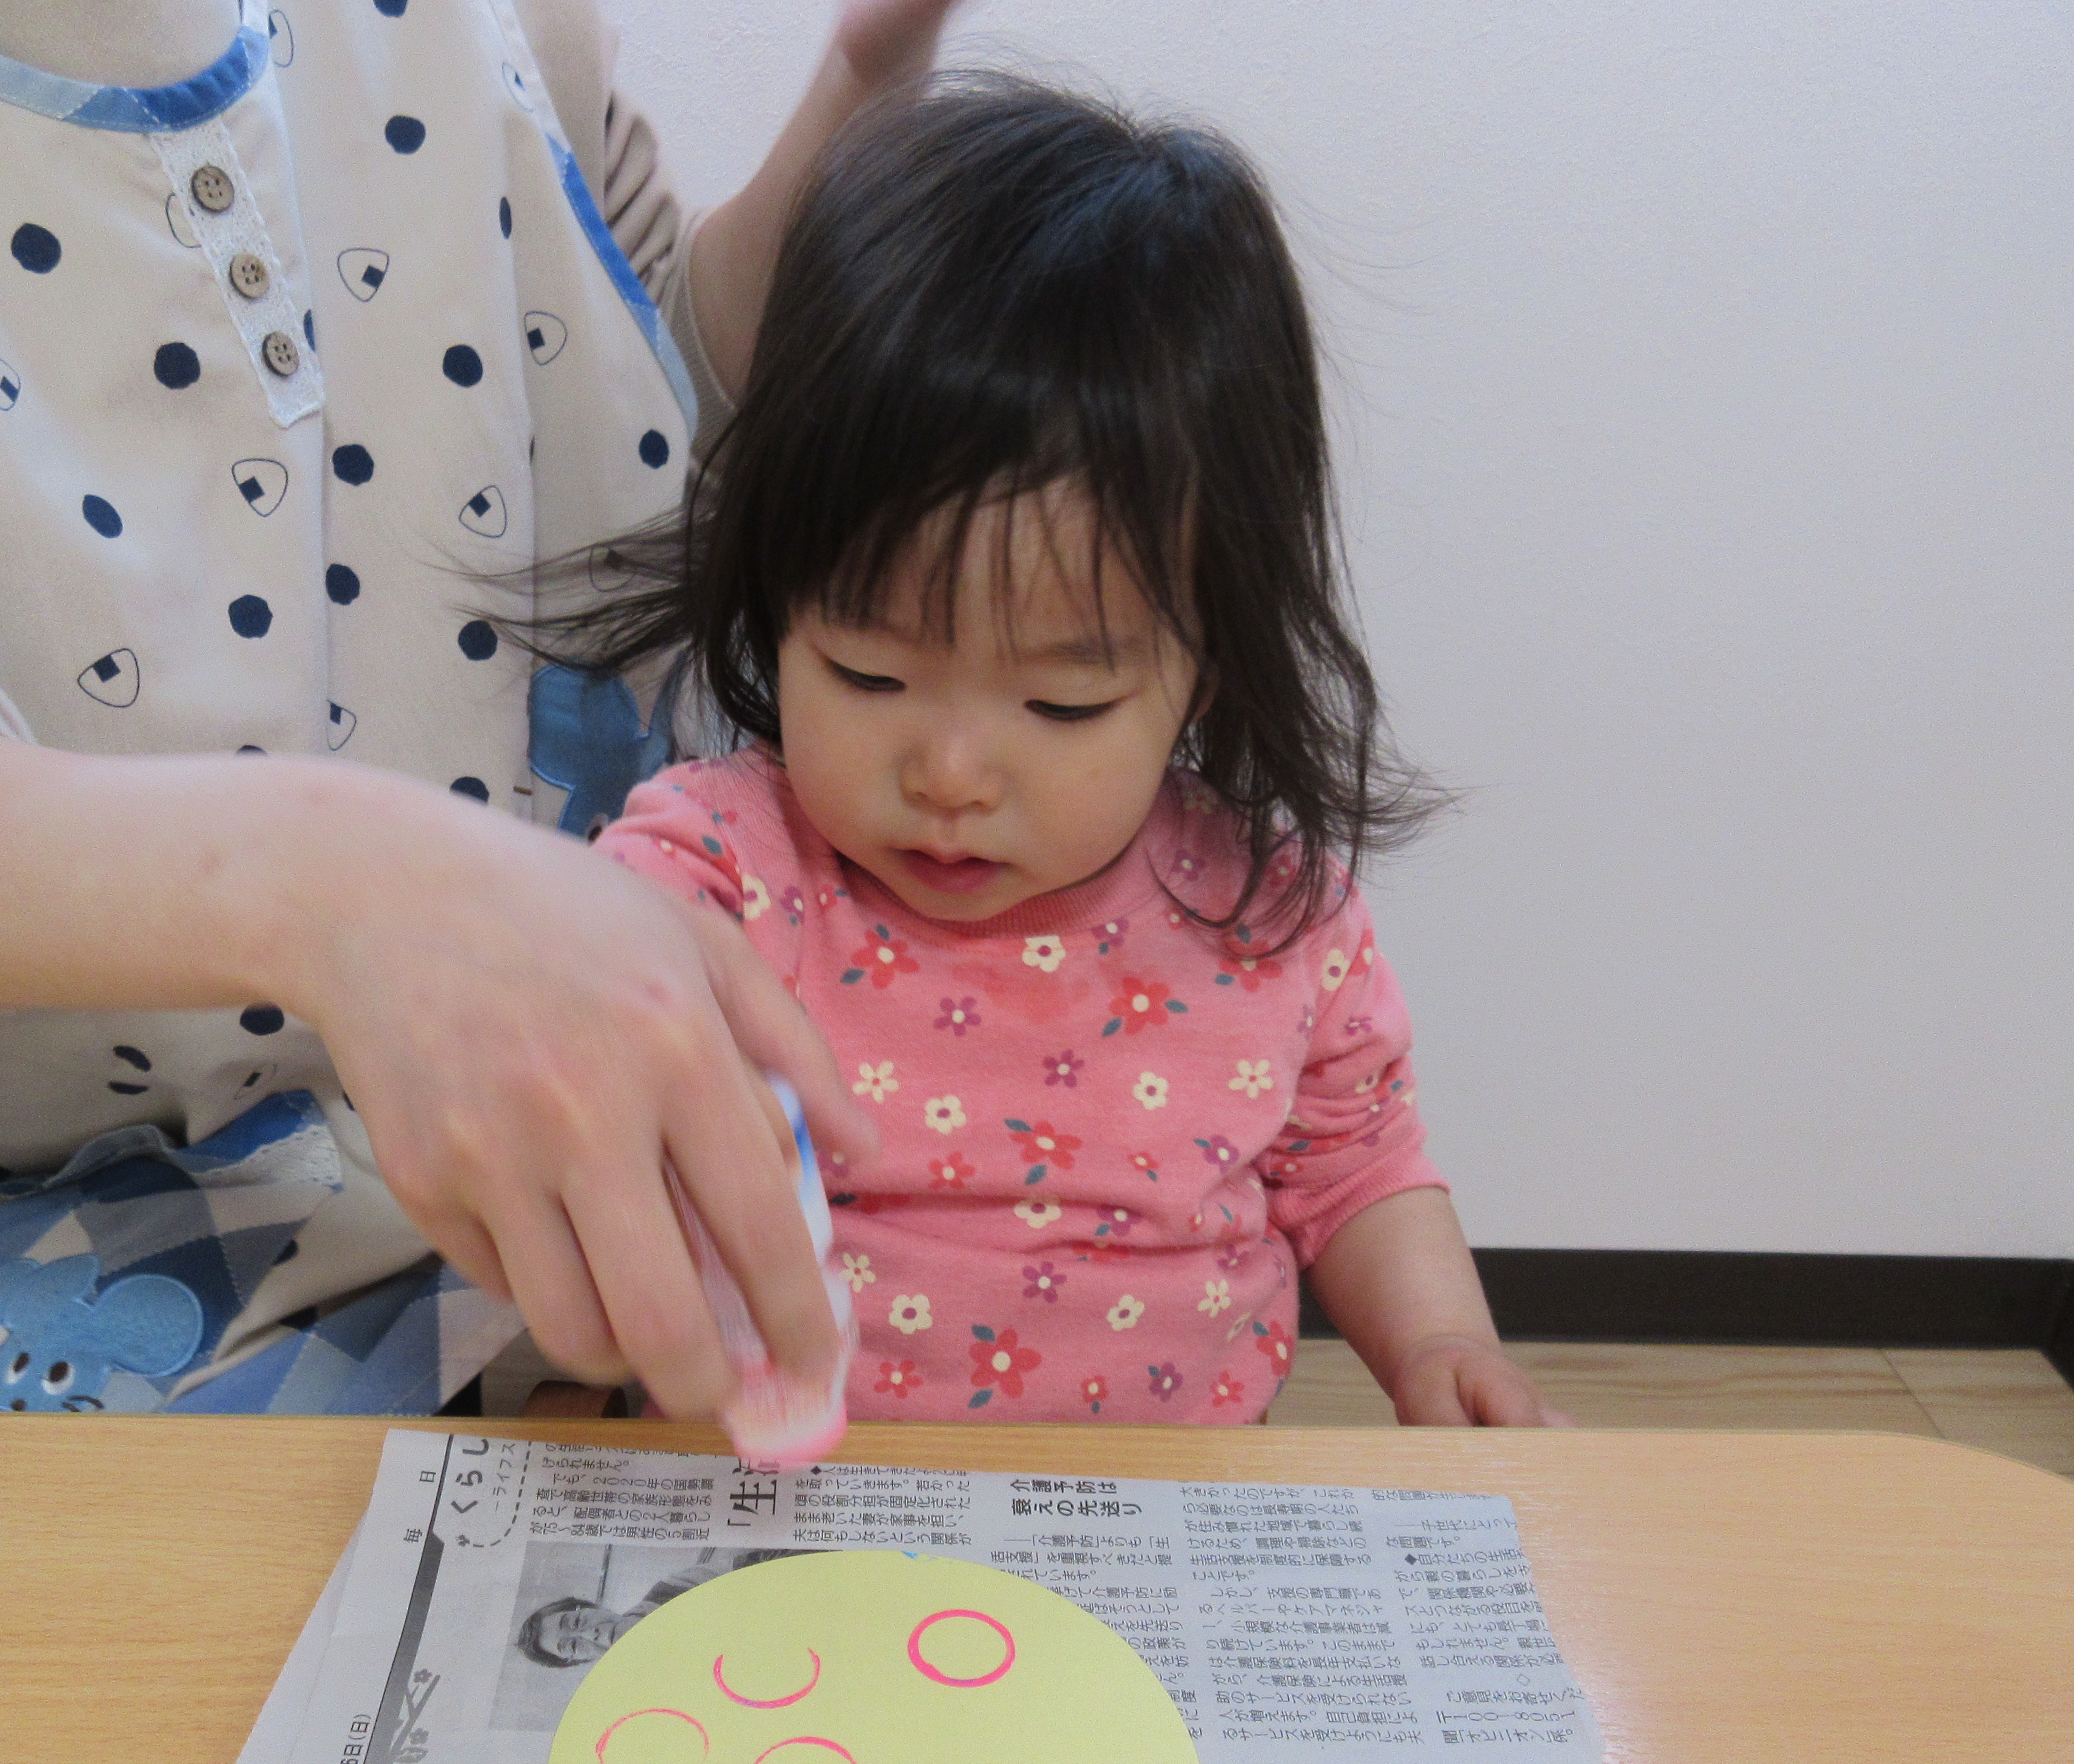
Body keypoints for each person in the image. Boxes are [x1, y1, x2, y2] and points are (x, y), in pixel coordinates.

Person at [0, 0, 965, 1416]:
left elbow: (651, 393)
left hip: (699, 1098)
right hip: (176, 1218)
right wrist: (349, 883)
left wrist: (865, 79)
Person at [570, 78, 1567, 1426]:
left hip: (1160, 1517)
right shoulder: (724, 870)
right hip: (774, 1514)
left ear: (1207, 663)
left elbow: (1360, 1165)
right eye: (869, 675)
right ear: (777, 600)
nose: (952, 775)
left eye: (1061, 704)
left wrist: (1441, 1345)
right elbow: (572, 996)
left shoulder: (1268, 916)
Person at [513, 1547, 802, 1667]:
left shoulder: (670, 1589)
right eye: (574, 1647)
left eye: (577, 1623)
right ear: (579, 1662)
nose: (591, 1634)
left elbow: (760, 1562)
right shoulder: (647, 1690)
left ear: (589, 1607)